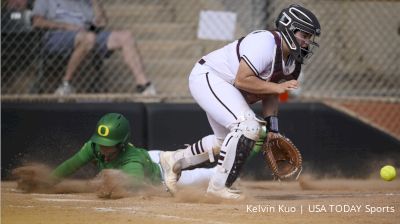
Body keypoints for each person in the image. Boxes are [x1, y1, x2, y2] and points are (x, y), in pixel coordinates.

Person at [159, 4, 321, 199]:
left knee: (225, 141)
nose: (307, 42)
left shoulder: (292, 62)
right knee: (248, 127)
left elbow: (270, 93)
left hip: (227, 87)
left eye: (309, 37)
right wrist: (278, 88)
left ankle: (173, 160)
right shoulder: (265, 42)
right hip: (210, 76)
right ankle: (219, 187)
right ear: (289, 28)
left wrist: (273, 129)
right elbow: (243, 79)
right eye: (304, 35)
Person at [13, 113, 214, 197]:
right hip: (149, 157)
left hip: (162, 172)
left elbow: (135, 183)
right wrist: (48, 180)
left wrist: (120, 180)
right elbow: (70, 165)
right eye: (100, 143)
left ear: (122, 144)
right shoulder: (93, 146)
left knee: (204, 177)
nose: (103, 149)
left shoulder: (130, 160)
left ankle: (223, 159)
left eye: (109, 145)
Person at [31, 0, 156, 96]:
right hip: (57, 36)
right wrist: (65, 26)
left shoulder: (85, 3)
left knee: (126, 36)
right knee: (88, 38)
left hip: (86, 35)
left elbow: (101, 23)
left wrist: (95, 1)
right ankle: (66, 84)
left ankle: (143, 85)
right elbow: (37, 22)